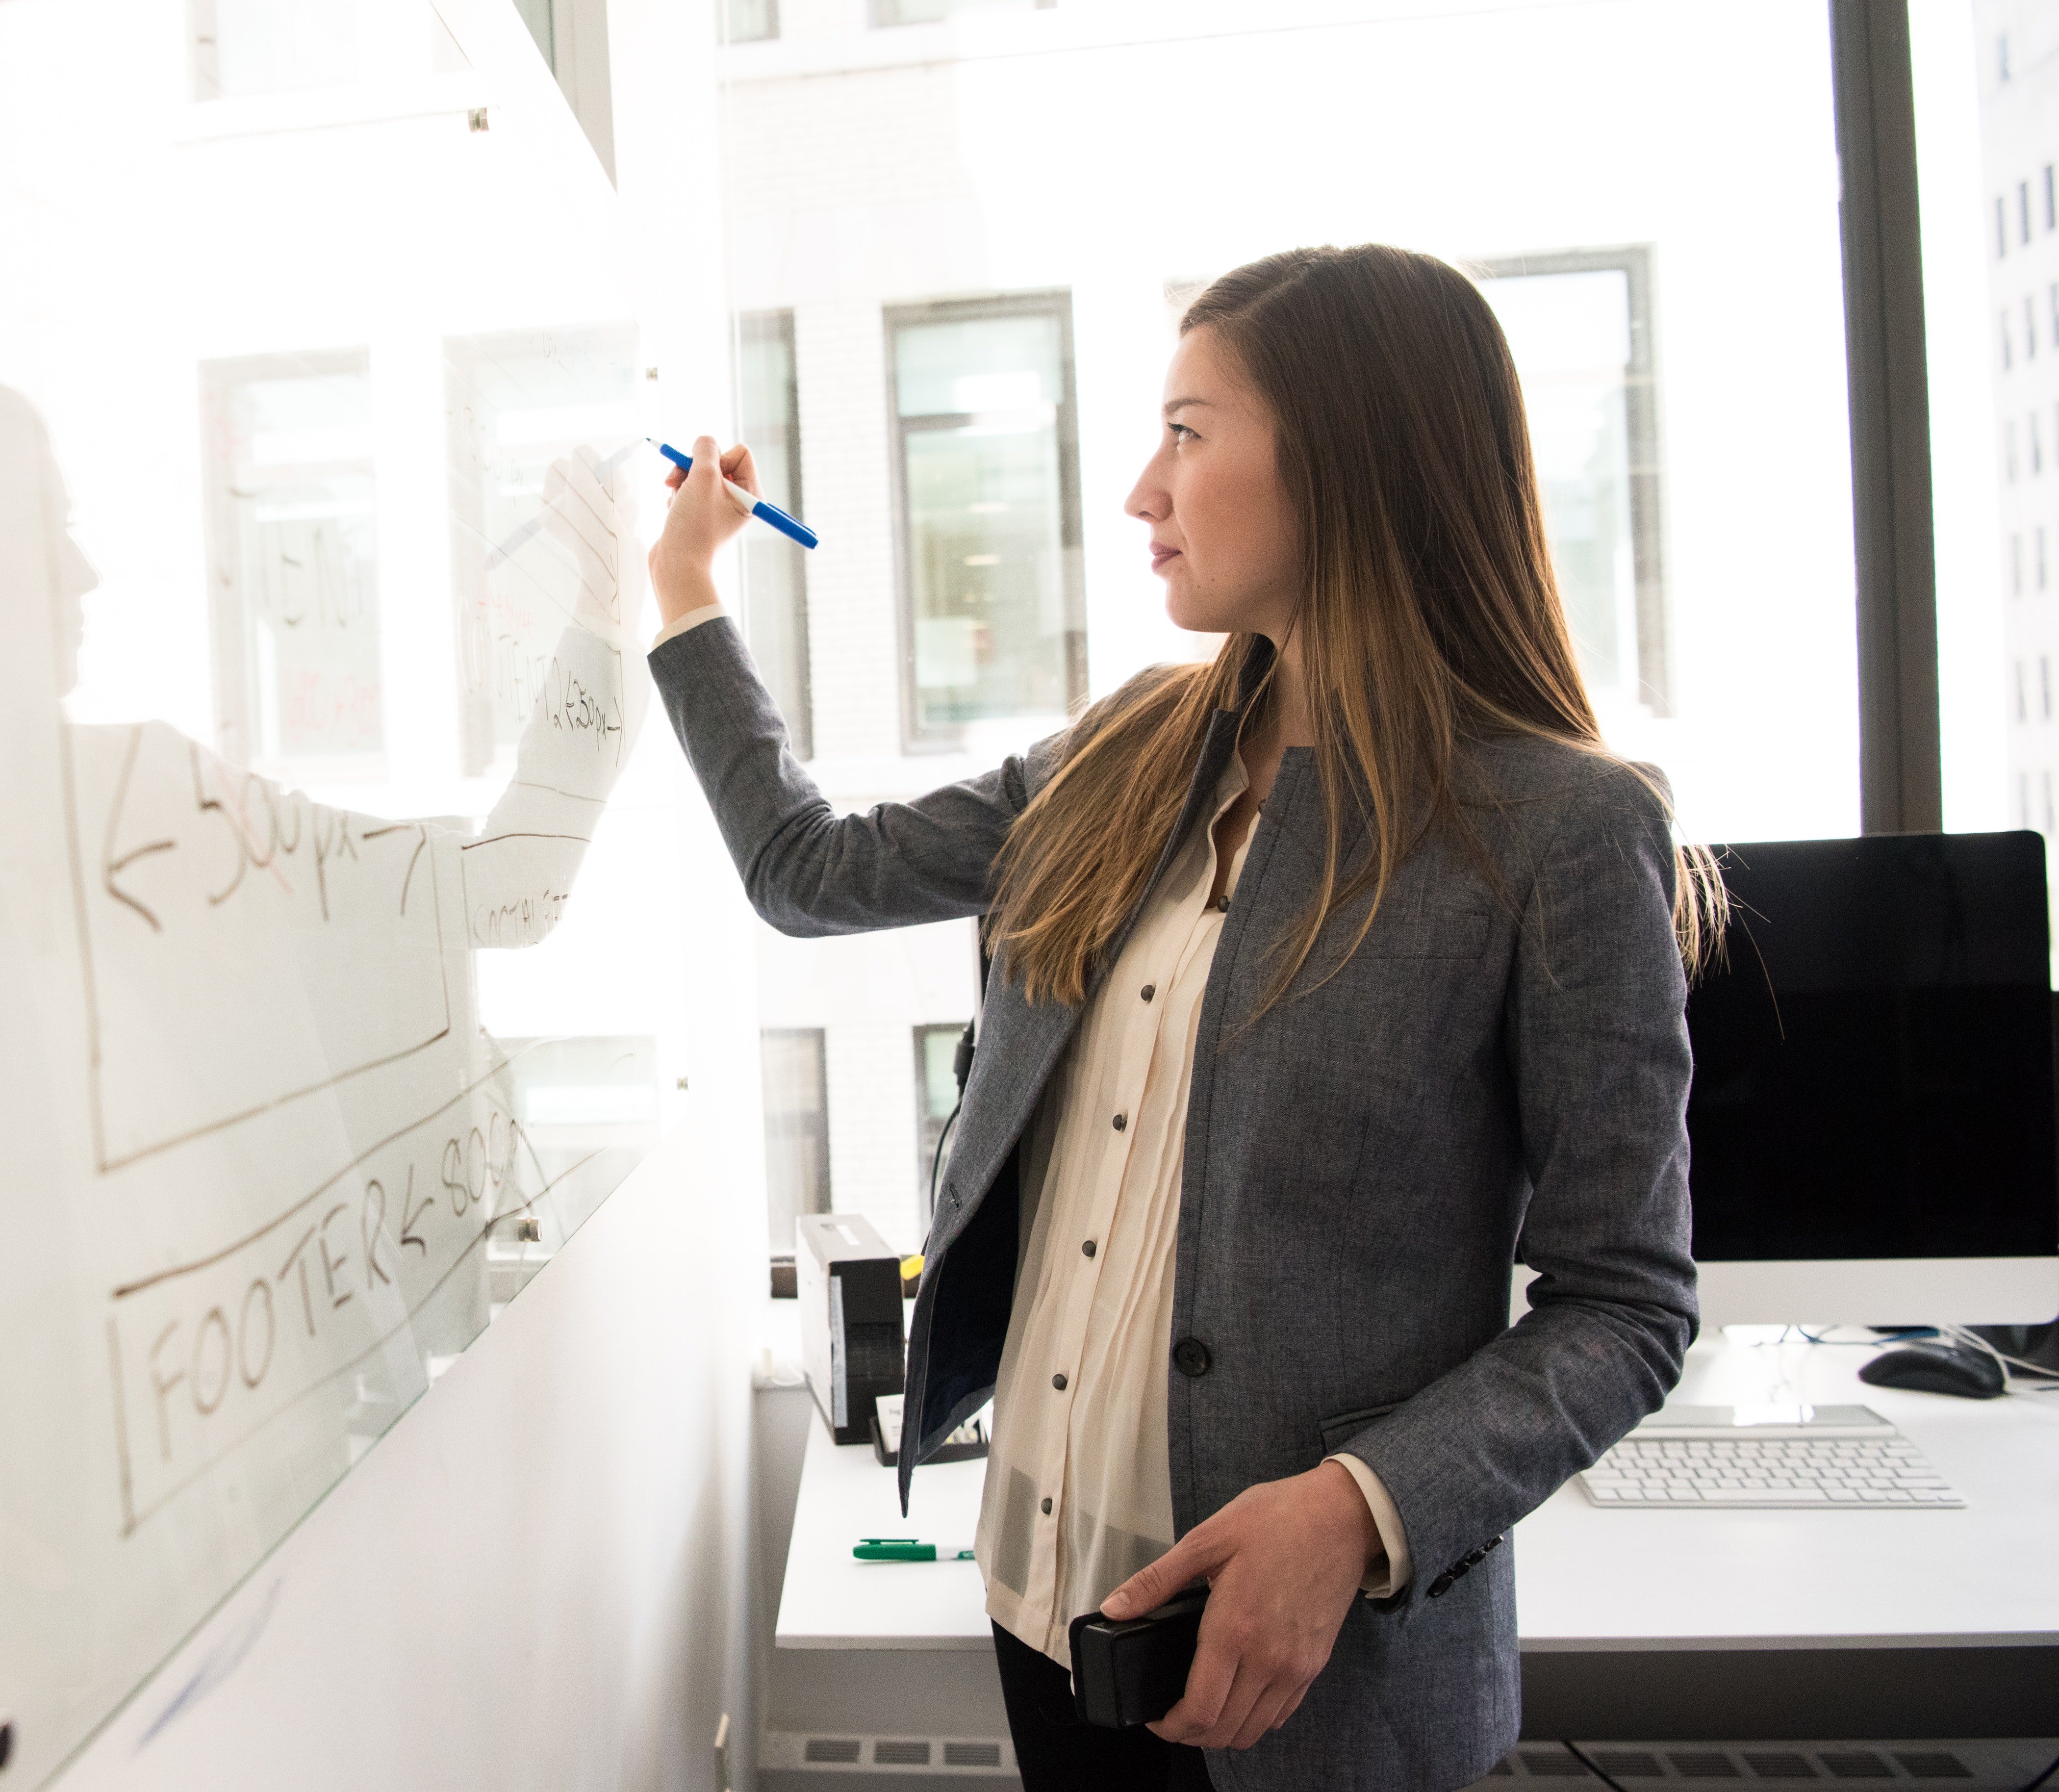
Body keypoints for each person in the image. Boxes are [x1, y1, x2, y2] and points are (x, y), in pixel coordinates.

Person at [643, 245, 1715, 1791]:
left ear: (1348, 461)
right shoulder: (1130, 749)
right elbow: (808, 871)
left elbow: (1625, 1304)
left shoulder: (1554, 826)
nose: (1143, 491)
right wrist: (686, 589)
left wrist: (1356, 1507)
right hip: (1043, 1608)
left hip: (1310, 1682)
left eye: (1188, 432)